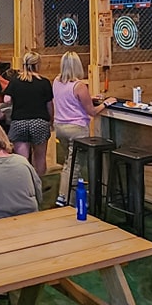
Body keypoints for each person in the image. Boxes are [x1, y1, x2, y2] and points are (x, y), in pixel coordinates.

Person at [53, 52, 117, 208]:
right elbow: (92, 112)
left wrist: (89, 98)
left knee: (69, 162)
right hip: (77, 130)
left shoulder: (56, 81)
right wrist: (106, 103)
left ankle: (74, 197)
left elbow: (69, 99)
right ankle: (65, 198)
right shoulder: (79, 86)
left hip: (60, 127)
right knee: (73, 166)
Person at [4, 51, 53, 177]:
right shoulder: (44, 82)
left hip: (19, 122)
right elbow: (49, 106)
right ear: (37, 64)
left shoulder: (15, 81)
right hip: (39, 122)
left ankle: (23, 184)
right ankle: (38, 184)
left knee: (22, 160)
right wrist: (51, 121)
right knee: (40, 158)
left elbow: (6, 99)